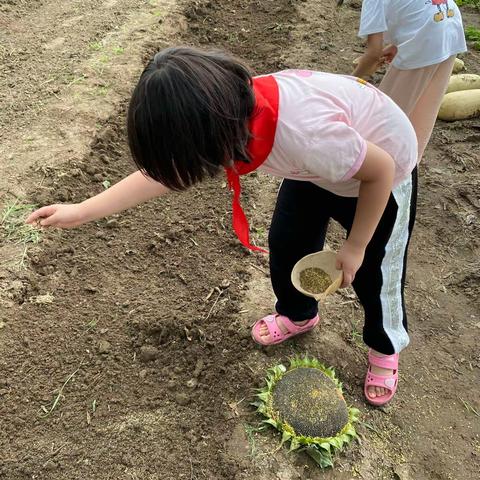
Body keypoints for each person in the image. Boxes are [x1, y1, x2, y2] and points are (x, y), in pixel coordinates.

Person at [27, 47, 418, 406]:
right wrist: (80, 211)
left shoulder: (306, 134)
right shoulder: (233, 114)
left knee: (375, 272)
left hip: (380, 175)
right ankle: (299, 313)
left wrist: (354, 246)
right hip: (319, 171)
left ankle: (384, 346)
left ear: (211, 135)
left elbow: (380, 170)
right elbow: (161, 175)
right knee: (287, 241)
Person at [349, 0, 467, 161]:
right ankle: (408, 174)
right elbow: (414, 10)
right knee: (423, 115)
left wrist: (350, 83)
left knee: (382, 120)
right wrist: (397, 45)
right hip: (449, 26)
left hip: (425, 40)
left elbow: (373, 54)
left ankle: (372, 174)